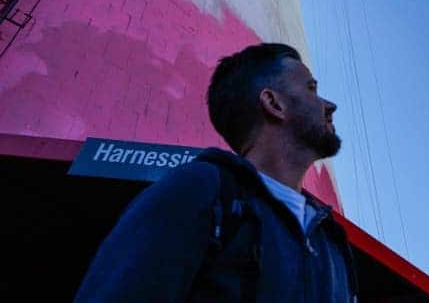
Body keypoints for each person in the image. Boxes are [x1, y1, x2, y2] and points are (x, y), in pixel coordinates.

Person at [75, 43, 357, 302]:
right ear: (274, 104)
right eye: (311, 89)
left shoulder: (331, 240)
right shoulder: (199, 190)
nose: (329, 106)